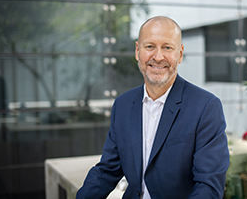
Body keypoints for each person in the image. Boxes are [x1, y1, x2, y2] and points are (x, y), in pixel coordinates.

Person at [76, 16, 229, 199]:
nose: (158, 57)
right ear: (137, 51)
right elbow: (107, 171)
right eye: (150, 47)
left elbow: (209, 186)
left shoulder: (205, 107)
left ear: (180, 54)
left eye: (167, 47)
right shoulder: (122, 105)